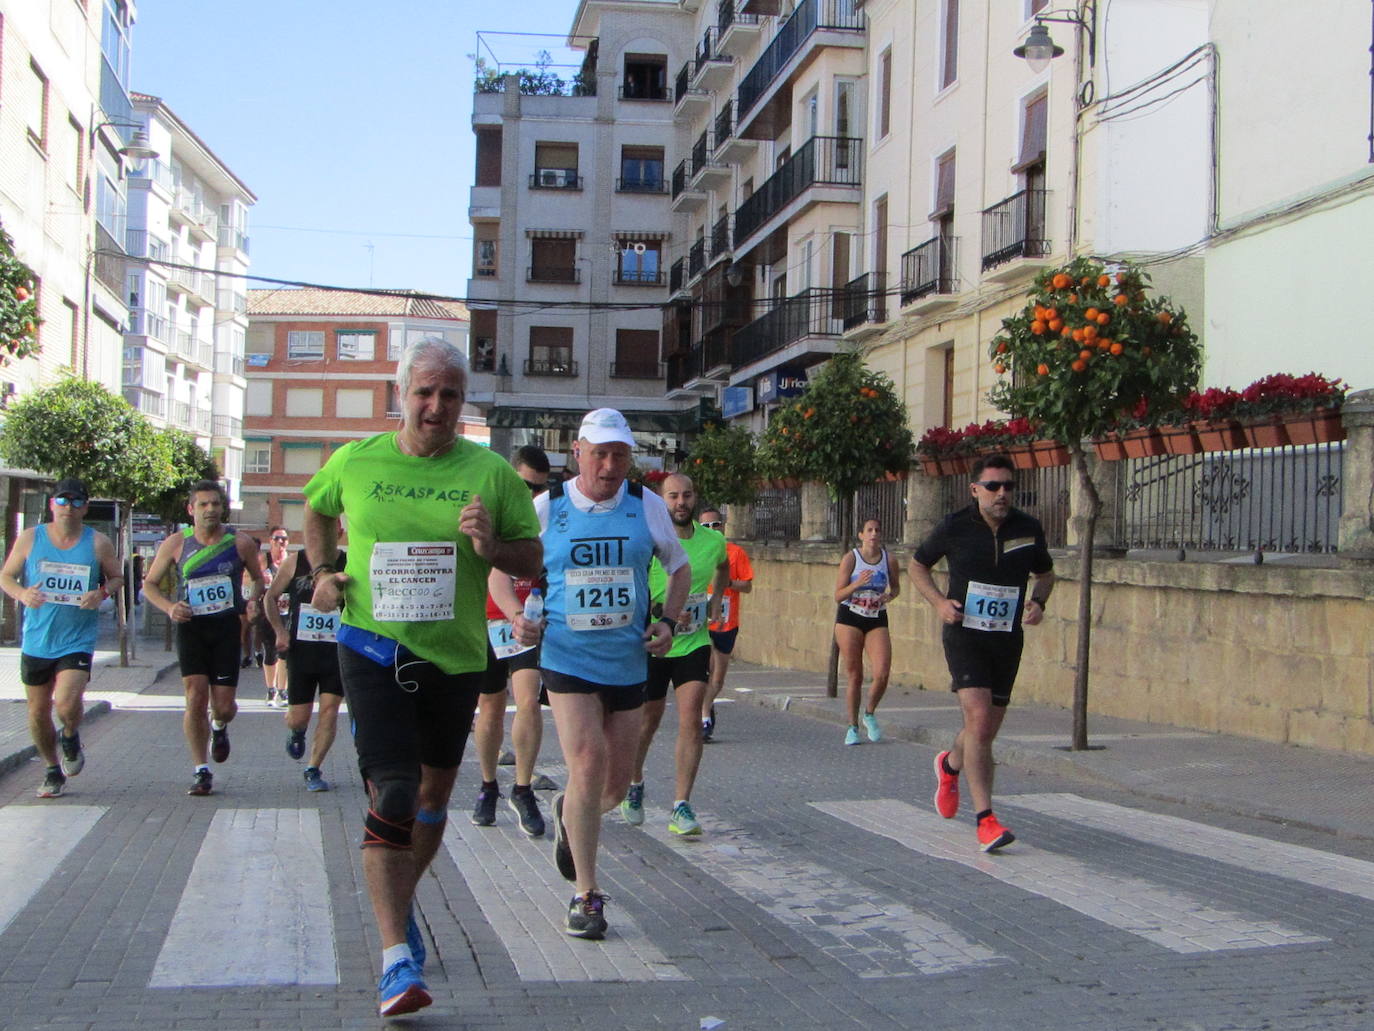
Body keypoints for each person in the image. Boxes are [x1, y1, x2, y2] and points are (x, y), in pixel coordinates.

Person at [302, 337, 541, 1019]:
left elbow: (533, 554)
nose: (436, 406)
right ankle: (392, 958)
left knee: (434, 793)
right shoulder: (356, 459)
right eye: (425, 392)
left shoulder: (490, 471)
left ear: (464, 401)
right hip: (373, 644)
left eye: (451, 395)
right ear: (400, 393)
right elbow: (316, 510)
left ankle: (401, 903)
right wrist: (322, 573)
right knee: (396, 787)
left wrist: (493, 547)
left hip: (456, 654)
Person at [537, 408, 689, 940]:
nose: (608, 465)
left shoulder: (646, 505)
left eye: (619, 455)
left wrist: (668, 621)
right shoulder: (548, 507)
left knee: (615, 786)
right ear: (577, 451)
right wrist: (516, 613)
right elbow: (501, 570)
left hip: (627, 660)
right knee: (587, 761)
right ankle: (587, 894)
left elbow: (679, 566)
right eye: (599, 453)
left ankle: (565, 811)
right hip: (566, 656)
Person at [909, 453, 1055, 853]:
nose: (1002, 493)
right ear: (975, 490)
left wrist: (1039, 602)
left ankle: (949, 765)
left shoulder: (1028, 528)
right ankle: (986, 819)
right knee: (976, 716)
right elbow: (918, 566)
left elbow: (1044, 573)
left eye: (1008, 486)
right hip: (964, 634)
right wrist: (939, 603)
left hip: (1006, 639)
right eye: (993, 486)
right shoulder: (955, 526)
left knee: (984, 730)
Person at [0, 478, 122, 798]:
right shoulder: (31, 538)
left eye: (76, 501)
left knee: (66, 702)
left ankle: (69, 733)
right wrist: (23, 593)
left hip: (77, 638)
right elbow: (6, 576)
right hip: (38, 639)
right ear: (52, 505)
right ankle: (52, 769)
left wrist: (102, 592)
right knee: (37, 712)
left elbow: (118, 576)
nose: (68, 507)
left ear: (85, 507)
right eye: (62, 501)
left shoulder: (97, 543)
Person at [143, 480, 264, 797]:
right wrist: (170, 608)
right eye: (203, 504)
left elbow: (257, 578)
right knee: (195, 697)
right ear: (191, 510)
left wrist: (252, 601)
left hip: (226, 629)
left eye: (215, 504)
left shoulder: (239, 543)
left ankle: (220, 726)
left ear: (223, 508)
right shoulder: (175, 544)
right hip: (192, 628)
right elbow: (149, 584)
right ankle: (201, 770)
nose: (210, 509)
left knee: (223, 707)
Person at [623, 474, 727, 835]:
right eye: (673, 496)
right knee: (647, 721)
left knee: (690, 720)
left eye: (686, 495)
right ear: (661, 500)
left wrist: (715, 601)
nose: (680, 502)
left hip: (693, 643)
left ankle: (681, 805)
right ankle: (634, 783)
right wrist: (662, 610)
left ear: (695, 497)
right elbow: (633, 588)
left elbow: (724, 567)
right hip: (653, 642)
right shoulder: (649, 541)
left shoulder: (713, 540)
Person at [471, 445, 551, 838]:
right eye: (523, 485)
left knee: (529, 701)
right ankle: (488, 786)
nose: (530, 495)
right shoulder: (493, 513)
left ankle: (522, 789)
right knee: (489, 707)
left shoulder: (548, 519)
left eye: (538, 488)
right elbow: (492, 573)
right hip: (487, 620)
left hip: (528, 624)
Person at [264, 533, 345, 792]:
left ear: (339, 532)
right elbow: (269, 598)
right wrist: (280, 631)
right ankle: (297, 731)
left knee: (330, 710)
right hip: (302, 651)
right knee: (299, 717)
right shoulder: (295, 562)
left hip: (335, 651)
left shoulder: (348, 563)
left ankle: (313, 768)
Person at [834, 516, 900, 745]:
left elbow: (896, 589)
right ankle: (852, 727)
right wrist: (857, 584)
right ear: (861, 535)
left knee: (882, 672)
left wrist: (888, 596)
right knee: (855, 674)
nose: (873, 534)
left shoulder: (889, 560)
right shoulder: (851, 558)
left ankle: (869, 713)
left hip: (876, 617)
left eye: (877, 530)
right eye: (869, 530)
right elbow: (838, 595)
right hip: (850, 617)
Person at [698, 507, 753, 743]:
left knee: (717, 679)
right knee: (702, 672)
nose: (712, 530)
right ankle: (703, 717)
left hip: (727, 622)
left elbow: (747, 585)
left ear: (723, 526)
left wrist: (726, 581)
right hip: (701, 622)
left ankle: (706, 707)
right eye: (706, 526)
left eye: (715, 525)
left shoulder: (735, 553)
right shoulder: (695, 552)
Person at [250, 527, 290, 707]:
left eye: (284, 539)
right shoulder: (263, 560)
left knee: (285, 652)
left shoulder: (291, 560)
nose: (280, 543)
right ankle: (271, 689)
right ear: (271, 540)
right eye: (277, 539)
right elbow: (252, 579)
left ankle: (283, 690)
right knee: (270, 650)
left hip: (287, 612)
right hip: (267, 612)